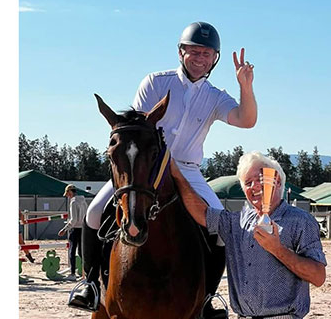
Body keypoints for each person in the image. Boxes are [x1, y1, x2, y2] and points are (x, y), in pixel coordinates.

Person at [69, 22, 257, 318]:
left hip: (189, 170)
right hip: (145, 166)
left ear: (214, 59)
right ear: (181, 52)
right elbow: (137, 130)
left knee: (219, 226)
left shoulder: (215, 96)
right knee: (94, 212)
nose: (200, 58)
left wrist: (245, 85)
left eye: (206, 53)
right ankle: (90, 284)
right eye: (194, 51)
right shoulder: (155, 82)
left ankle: (208, 297)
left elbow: (247, 120)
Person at [171, 151, 327, 319]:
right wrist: (176, 174)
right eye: (248, 182)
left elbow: (318, 277)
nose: (254, 186)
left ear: (278, 180)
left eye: (260, 179)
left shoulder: (301, 221)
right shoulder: (236, 222)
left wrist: (277, 249)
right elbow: (202, 212)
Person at [59, 184, 88, 281]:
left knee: (72, 251)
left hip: (75, 229)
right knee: (81, 251)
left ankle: (72, 273)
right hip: (83, 228)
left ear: (70, 192)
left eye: (67, 193)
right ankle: (85, 273)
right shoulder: (84, 201)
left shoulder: (73, 202)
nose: (67, 196)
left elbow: (73, 219)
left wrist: (64, 229)